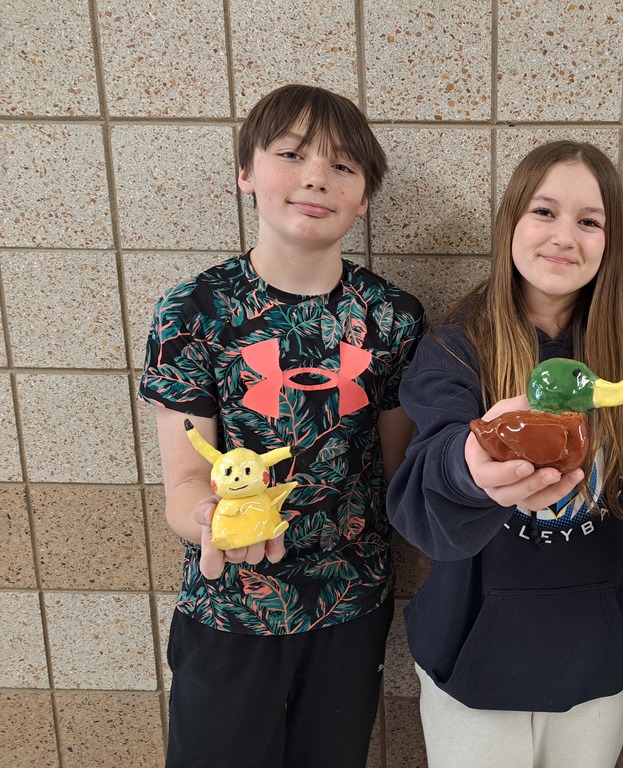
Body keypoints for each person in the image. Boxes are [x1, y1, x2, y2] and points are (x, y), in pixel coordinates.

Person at [138, 84, 426, 768]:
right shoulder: (194, 312)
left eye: (343, 166)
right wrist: (205, 518)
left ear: (363, 199)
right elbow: (184, 478)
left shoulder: (392, 318)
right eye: (291, 154)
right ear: (246, 172)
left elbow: (397, 479)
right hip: (228, 609)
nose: (316, 177)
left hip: (350, 604)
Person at [387, 140, 623, 768]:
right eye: (543, 212)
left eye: (589, 221)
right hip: (474, 660)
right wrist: (472, 466)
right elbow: (417, 495)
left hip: (603, 661)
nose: (564, 236)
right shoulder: (453, 349)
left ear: (610, 242)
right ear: (510, 221)